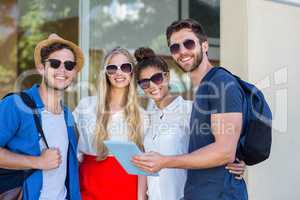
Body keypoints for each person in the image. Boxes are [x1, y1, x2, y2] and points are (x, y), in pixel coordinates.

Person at [132, 19, 248, 200]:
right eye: (175, 47)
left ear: (205, 45)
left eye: (188, 43)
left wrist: (237, 159)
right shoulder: (150, 116)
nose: (182, 51)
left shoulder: (214, 90)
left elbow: (224, 150)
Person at [0, 34, 83, 199]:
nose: (62, 70)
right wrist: (37, 162)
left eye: (69, 65)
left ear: (74, 72)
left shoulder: (68, 116)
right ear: (41, 68)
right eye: (54, 63)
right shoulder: (15, 105)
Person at [73, 47, 148, 200]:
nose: (119, 73)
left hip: (126, 189)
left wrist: (141, 198)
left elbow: (143, 166)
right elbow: (68, 144)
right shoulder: (86, 106)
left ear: (132, 72)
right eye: (112, 68)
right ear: (105, 73)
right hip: (88, 186)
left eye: (125, 67)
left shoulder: (142, 115)